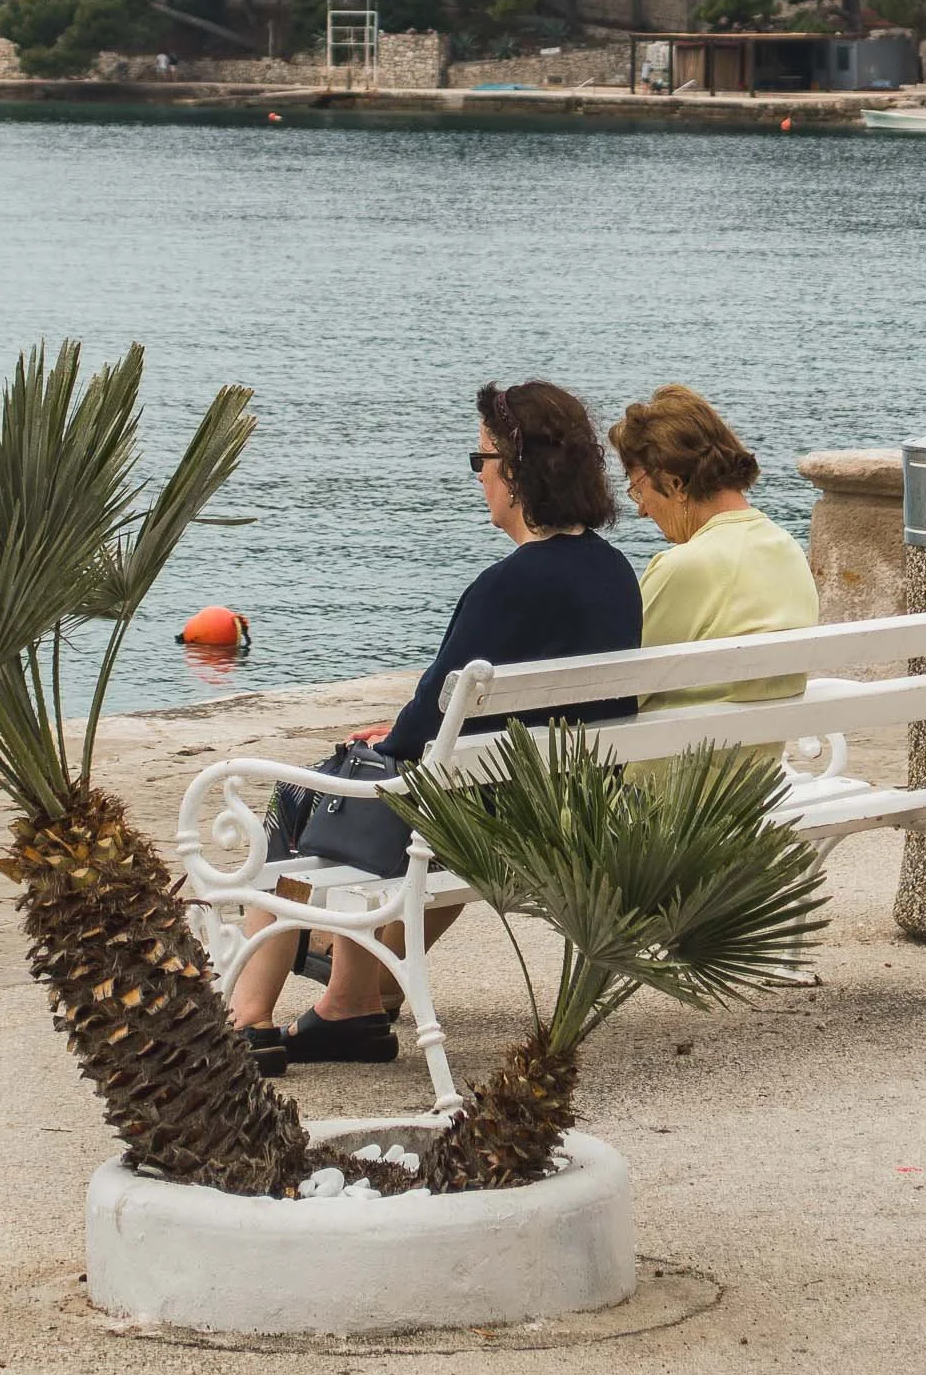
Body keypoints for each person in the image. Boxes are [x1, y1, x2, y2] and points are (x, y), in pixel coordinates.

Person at [230, 379, 641, 1066]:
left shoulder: (508, 584)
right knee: (418, 789)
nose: (478, 476)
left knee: (299, 796)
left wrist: (384, 741)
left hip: (484, 820)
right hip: (571, 804)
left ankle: (249, 1020)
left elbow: (425, 721)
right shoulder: (615, 570)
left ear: (514, 472)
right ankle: (346, 1006)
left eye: (480, 460)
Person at [608, 386, 818, 701]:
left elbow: (618, 693)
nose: (641, 509)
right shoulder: (785, 546)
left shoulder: (685, 566)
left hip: (684, 749)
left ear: (673, 483)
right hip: (762, 748)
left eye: (638, 489)